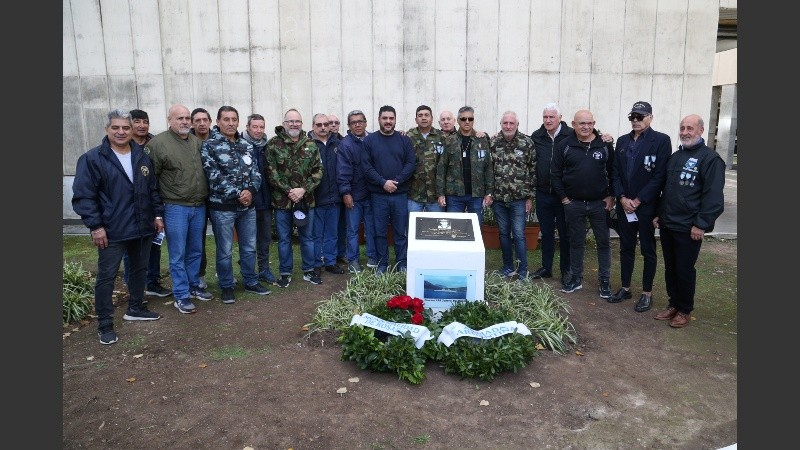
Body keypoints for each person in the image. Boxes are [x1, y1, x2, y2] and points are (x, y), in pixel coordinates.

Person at [72, 109, 163, 344]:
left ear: (131, 130)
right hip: (112, 230)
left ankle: (136, 308)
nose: (121, 132)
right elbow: (84, 196)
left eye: (125, 127)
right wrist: (96, 226)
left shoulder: (142, 156)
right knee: (107, 277)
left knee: (139, 270)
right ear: (107, 129)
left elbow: (152, 189)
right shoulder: (92, 159)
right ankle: (105, 324)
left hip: (142, 227)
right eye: (116, 127)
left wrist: (157, 215)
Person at [530, 103, 615, 285]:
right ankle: (546, 267)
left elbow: (610, 167)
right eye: (545, 117)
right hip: (545, 193)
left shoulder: (571, 135)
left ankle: (566, 270)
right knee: (547, 233)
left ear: (560, 119)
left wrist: (610, 194)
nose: (548, 120)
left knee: (567, 235)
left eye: (552, 117)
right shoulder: (537, 136)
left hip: (568, 197)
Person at [653, 114, 724, 328]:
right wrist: (659, 214)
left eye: (690, 128)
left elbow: (713, 197)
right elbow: (667, 191)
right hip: (668, 224)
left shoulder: (710, 159)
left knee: (684, 270)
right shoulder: (675, 157)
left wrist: (701, 224)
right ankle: (673, 303)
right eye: (682, 128)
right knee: (671, 268)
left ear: (701, 130)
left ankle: (685, 309)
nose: (685, 132)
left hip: (689, 228)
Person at [145, 104, 213, 314]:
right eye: (179, 118)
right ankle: (181, 295)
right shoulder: (157, 144)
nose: (184, 121)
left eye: (186, 118)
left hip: (198, 206)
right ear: (169, 120)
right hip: (175, 207)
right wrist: (157, 212)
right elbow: (151, 181)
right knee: (178, 253)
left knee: (195, 250)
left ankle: (193, 286)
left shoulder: (196, 142)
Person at [201, 106, 271, 304]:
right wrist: (238, 194)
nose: (230, 123)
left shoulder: (245, 145)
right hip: (222, 208)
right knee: (225, 250)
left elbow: (256, 172)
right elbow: (213, 175)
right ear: (218, 122)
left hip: (247, 207)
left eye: (234, 119)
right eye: (226, 119)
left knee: (249, 247)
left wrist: (250, 191)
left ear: (238, 122)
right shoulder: (209, 145)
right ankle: (226, 286)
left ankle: (251, 281)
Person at [609, 101, 672, 312]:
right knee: (626, 247)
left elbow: (660, 176)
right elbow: (615, 173)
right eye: (632, 117)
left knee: (648, 250)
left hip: (645, 207)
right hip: (624, 206)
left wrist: (638, 200)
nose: (635, 120)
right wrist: (621, 198)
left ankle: (647, 292)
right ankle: (625, 287)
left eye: (640, 116)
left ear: (650, 118)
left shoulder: (661, 141)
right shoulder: (623, 141)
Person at [551, 109, 615, 297]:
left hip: (599, 204)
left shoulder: (604, 145)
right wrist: (564, 198)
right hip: (574, 204)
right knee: (576, 242)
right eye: (582, 123)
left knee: (603, 242)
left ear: (594, 124)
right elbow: (555, 174)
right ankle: (576, 278)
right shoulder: (564, 145)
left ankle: (604, 281)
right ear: (573, 124)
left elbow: (614, 172)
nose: (586, 127)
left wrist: (611, 195)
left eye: (589, 123)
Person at [266, 109, 323, 287]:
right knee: (284, 239)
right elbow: (271, 172)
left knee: (307, 238)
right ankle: (285, 273)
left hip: (305, 201)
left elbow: (318, 171)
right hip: (282, 201)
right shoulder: (273, 144)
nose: (294, 124)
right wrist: (290, 191)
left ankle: (309, 270)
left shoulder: (311, 144)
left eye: (297, 121)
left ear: (301, 123)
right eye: (290, 121)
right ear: (284, 123)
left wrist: (302, 190)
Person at [121, 109, 170, 298]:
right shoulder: (124, 146)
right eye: (137, 121)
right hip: (131, 206)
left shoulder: (155, 144)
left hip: (155, 203)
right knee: (131, 248)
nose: (142, 125)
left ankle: (153, 282)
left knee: (155, 244)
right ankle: (134, 288)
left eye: (145, 122)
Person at [363, 105, 416, 274]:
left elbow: (410, 163)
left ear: (395, 120)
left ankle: (402, 264)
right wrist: (383, 182)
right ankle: (382, 264)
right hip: (378, 195)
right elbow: (366, 167)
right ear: (379, 119)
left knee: (400, 232)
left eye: (391, 118)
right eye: (384, 118)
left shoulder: (404, 140)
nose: (388, 121)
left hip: (400, 195)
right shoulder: (370, 141)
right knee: (380, 232)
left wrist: (397, 181)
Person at [489, 111, 535, 279]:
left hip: (519, 199)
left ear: (517, 125)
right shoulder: (493, 143)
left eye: (511, 123)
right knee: (503, 234)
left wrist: (530, 197)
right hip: (498, 198)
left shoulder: (526, 142)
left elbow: (533, 170)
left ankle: (522, 270)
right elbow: (488, 169)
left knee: (519, 234)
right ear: (501, 124)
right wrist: (489, 193)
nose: (508, 126)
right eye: (505, 123)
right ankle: (508, 266)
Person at [436, 106, 494, 225]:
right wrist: (440, 193)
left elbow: (488, 168)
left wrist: (489, 193)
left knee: (475, 228)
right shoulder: (450, 141)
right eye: (463, 119)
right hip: (454, 194)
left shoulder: (481, 140)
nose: (467, 121)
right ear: (458, 121)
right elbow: (442, 168)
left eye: (470, 119)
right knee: (454, 228)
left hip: (476, 193)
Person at [337, 110, 378, 273]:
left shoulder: (373, 139)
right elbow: (342, 171)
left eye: (360, 121)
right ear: (349, 125)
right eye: (353, 122)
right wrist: (346, 193)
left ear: (366, 123)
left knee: (372, 228)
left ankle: (373, 257)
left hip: (372, 193)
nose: (357, 125)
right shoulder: (345, 144)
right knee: (353, 230)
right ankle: (353, 260)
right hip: (353, 195)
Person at [242, 113, 278, 285]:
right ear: (248, 127)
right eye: (255, 127)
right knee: (248, 241)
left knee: (264, 239)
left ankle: (264, 270)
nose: (258, 130)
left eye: (261, 127)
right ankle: (248, 272)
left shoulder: (267, 147)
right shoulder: (240, 145)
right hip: (247, 203)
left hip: (265, 201)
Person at [309, 113, 345, 276]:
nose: (323, 127)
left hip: (334, 197)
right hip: (316, 198)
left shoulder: (337, 144)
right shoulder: (308, 145)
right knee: (316, 234)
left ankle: (330, 262)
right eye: (319, 125)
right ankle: (317, 263)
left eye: (326, 124)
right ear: (313, 126)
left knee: (332, 233)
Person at [190, 107, 213, 289]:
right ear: (192, 123)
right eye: (197, 120)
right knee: (198, 239)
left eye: (205, 120)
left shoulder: (218, 139)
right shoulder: (187, 142)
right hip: (197, 198)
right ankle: (199, 274)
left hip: (219, 198)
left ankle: (225, 273)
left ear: (210, 122)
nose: (202, 123)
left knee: (224, 239)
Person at [407, 105, 446, 213]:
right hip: (414, 194)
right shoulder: (408, 136)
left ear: (432, 118)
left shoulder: (441, 136)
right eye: (420, 115)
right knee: (413, 223)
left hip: (435, 195)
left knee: (436, 224)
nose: (423, 118)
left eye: (426, 115)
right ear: (416, 119)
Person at [329, 113, 348, 265]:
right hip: (328, 192)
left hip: (343, 190)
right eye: (331, 122)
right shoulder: (316, 141)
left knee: (343, 225)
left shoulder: (344, 142)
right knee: (330, 227)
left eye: (336, 122)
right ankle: (329, 255)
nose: (334, 125)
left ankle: (341, 253)